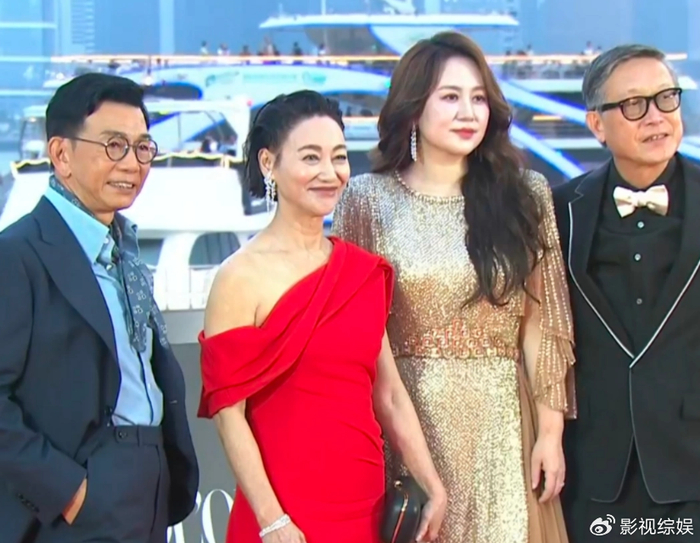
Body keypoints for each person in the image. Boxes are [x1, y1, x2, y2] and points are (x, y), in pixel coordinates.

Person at [333, 31, 576, 543]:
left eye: (479, 98)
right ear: (413, 106)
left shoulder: (525, 195)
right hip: (404, 422)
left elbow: (543, 324)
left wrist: (550, 432)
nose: (469, 112)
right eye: (450, 97)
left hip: (502, 427)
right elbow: (354, 335)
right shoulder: (366, 200)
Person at [198, 90, 447, 543]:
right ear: (269, 163)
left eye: (339, 157)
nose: (330, 173)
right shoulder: (238, 277)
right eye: (310, 157)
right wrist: (272, 521)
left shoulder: (361, 272)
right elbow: (228, 414)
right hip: (284, 515)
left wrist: (431, 483)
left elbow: (390, 395)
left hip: (364, 509)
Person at [0, 72, 199, 543]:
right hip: (75, 491)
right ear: (61, 154)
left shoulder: (125, 249)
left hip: (150, 482)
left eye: (142, 147)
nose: (132, 163)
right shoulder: (18, 255)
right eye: (114, 146)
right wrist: (68, 492)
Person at [554, 44, 700, 543]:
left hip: (691, 464)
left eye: (666, 98)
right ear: (597, 124)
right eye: (635, 104)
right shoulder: (559, 210)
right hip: (595, 469)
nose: (656, 117)